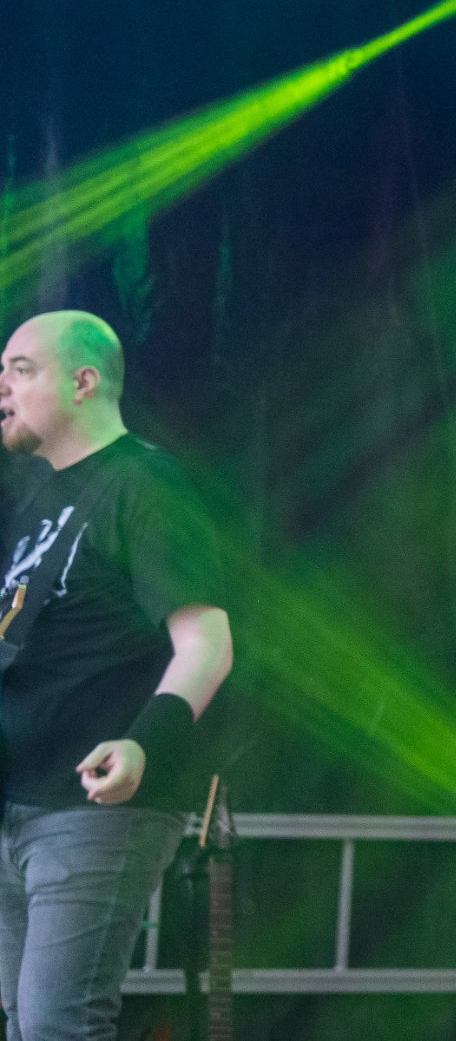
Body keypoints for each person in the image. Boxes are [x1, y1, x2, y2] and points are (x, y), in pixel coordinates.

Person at [0, 310, 232, 1041]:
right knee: (25, 1022)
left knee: (57, 1023)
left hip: (92, 807)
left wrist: (145, 743)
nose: (2, 386)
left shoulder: (145, 482)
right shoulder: (34, 495)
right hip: (17, 798)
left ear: (83, 382)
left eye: (20, 369)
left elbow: (208, 643)